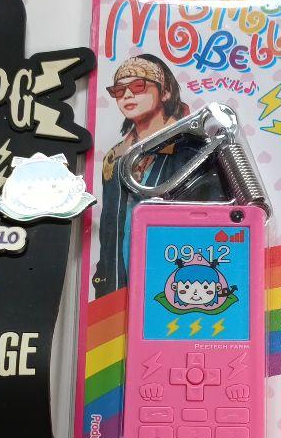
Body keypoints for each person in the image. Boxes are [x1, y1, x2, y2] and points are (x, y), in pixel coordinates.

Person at [92, 55, 223, 297]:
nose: (127, 95)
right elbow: (108, 230)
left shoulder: (192, 151)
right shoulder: (115, 158)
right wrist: (103, 280)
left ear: (165, 92)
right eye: (119, 90)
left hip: (180, 286)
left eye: (138, 86)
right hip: (115, 289)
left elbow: (212, 226)